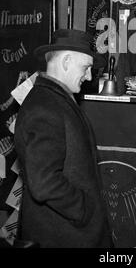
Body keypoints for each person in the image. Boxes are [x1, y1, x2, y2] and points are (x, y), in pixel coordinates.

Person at [14, 29, 113, 248]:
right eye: (86, 67)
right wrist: (84, 210)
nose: (88, 76)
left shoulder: (53, 100)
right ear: (67, 61)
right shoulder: (45, 106)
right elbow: (44, 182)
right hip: (64, 236)